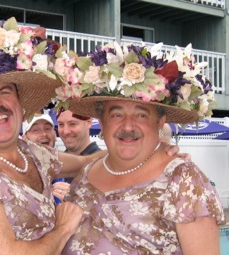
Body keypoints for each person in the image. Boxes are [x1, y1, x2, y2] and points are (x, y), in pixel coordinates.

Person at [0, 18, 182, 254]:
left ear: (20, 105)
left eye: (5, 92)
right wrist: (64, 228)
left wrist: (147, 152)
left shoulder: (27, 152)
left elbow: (83, 161)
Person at [55, 42, 226, 254]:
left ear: (159, 121)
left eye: (141, 115)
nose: (128, 126)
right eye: (116, 114)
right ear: (102, 121)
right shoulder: (85, 175)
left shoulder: (182, 180)